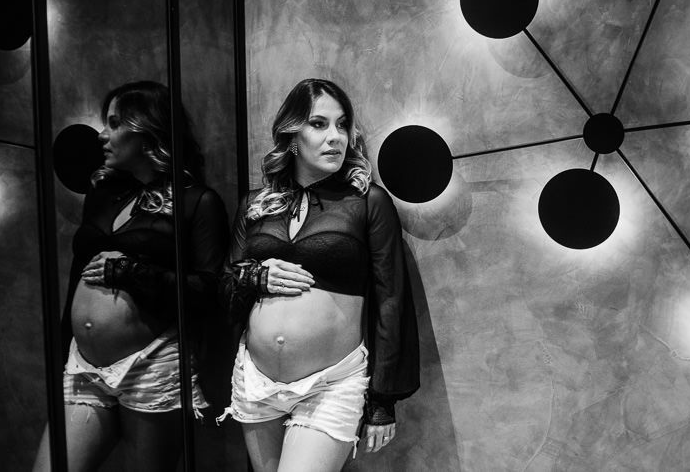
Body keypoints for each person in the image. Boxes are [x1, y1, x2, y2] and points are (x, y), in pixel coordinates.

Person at [219, 78, 419, 472]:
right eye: (319, 124)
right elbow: (223, 287)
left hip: (332, 384)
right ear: (292, 136)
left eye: (342, 125)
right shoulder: (256, 205)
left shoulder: (368, 201)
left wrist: (383, 398)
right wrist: (254, 277)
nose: (335, 137)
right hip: (255, 380)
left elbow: (392, 300)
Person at [33, 81, 228, 472]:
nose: (102, 135)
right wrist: (63, 348)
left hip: (152, 362)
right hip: (84, 365)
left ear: (147, 131)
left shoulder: (197, 201)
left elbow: (208, 291)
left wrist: (130, 272)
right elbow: (77, 275)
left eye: (115, 123)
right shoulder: (104, 193)